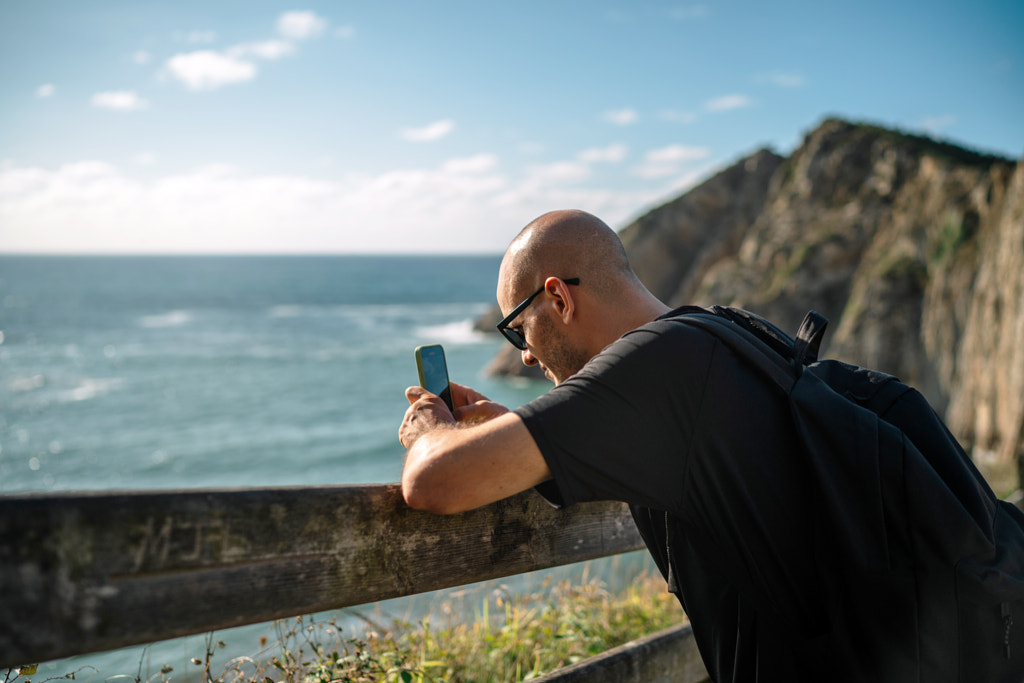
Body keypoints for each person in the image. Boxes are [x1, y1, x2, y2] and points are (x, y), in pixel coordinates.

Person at [396, 209, 985, 681]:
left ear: (560, 298)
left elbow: (431, 482)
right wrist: (508, 427)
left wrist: (431, 429)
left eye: (517, 328)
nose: (524, 353)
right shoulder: (721, 338)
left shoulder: (655, 372)